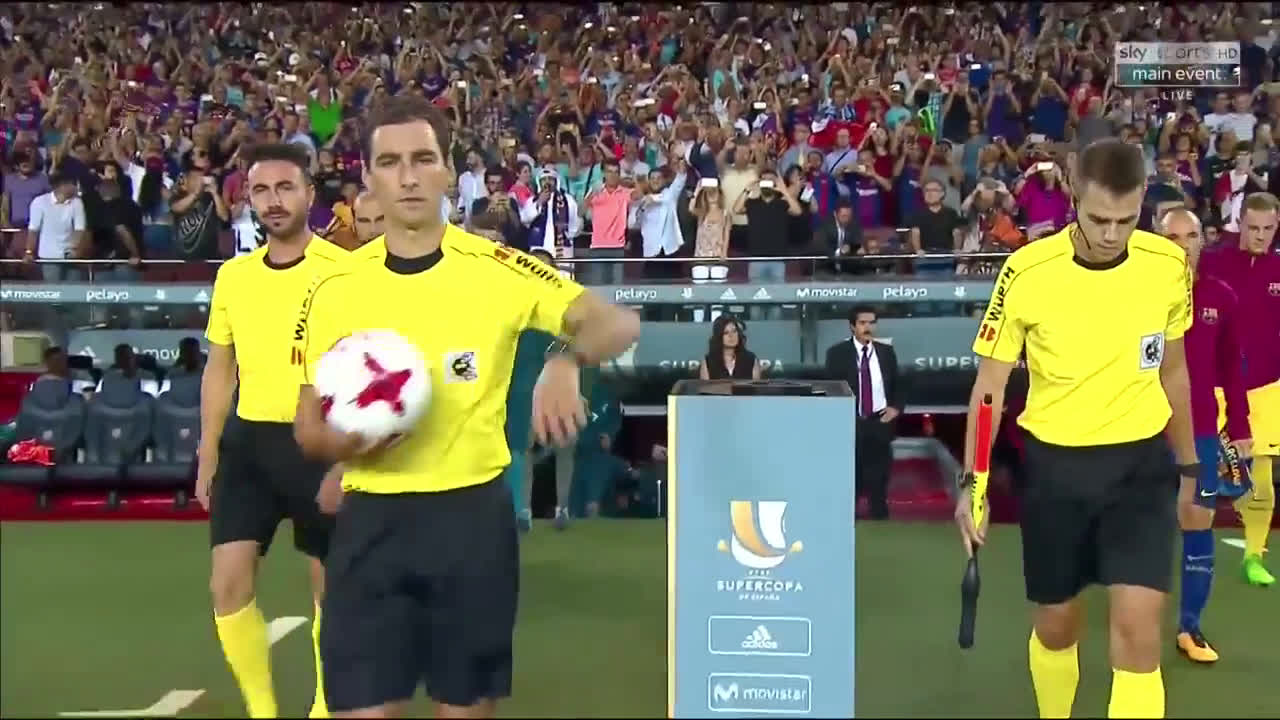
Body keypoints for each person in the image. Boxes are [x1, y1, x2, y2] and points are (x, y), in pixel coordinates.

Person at [291, 95, 639, 719]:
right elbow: (306, 428)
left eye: (423, 159)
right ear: (367, 177)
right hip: (370, 524)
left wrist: (565, 360)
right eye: (390, 162)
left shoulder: (496, 268)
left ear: (449, 170)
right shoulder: (334, 286)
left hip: (470, 523)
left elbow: (617, 321)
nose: (408, 176)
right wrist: (344, 445)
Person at [956, 139, 1198, 719]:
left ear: (1144, 201)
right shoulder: (1027, 271)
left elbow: (1174, 370)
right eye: (1098, 219)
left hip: (1140, 470)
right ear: (1073, 196)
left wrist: (1191, 467)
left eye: (1126, 219)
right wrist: (975, 484)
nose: (1111, 234)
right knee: (1057, 627)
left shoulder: (1168, 266)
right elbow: (989, 387)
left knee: (1139, 636)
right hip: (1055, 471)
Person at [198, 142, 349, 719]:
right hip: (248, 446)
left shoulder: (345, 271)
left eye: (285, 187)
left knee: (329, 588)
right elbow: (220, 367)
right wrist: (208, 450)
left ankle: (325, 706)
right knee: (227, 587)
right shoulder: (234, 277)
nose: (273, 200)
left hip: (322, 445)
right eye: (261, 190)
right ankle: (262, 710)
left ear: (309, 194)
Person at [1158, 207, 1250, 663]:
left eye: (1190, 236)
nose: (1182, 246)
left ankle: (1189, 628)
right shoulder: (1138, 297)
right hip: (1143, 430)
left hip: (1201, 432)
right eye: (1172, 238)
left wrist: (1242, 427)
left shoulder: (1220, 296)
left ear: (1202, 240)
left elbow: (1233, 366)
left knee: (1198, 522)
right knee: (1139, 527)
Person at [1199, 191, 1280, 587]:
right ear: (1240, 222)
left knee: (1261, 482)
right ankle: (1192, 555)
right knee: (1202, 482)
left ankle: (1253, 556)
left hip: (1265, 389)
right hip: (1216, 389)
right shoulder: (1212, 262)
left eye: (1268, 228)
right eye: (1254, 227)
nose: (1261, 235)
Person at [823, 306, 903, 520]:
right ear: (852, 326)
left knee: (880, 478)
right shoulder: (837, 354)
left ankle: (880, 520)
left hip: (880, 422)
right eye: (863, 323)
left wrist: (895, 408)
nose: (868, 327)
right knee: (852, 477)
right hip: (851, 423)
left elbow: (898, 384)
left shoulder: (886, 352)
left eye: (872, 322)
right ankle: (848, 521)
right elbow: (831, 389)